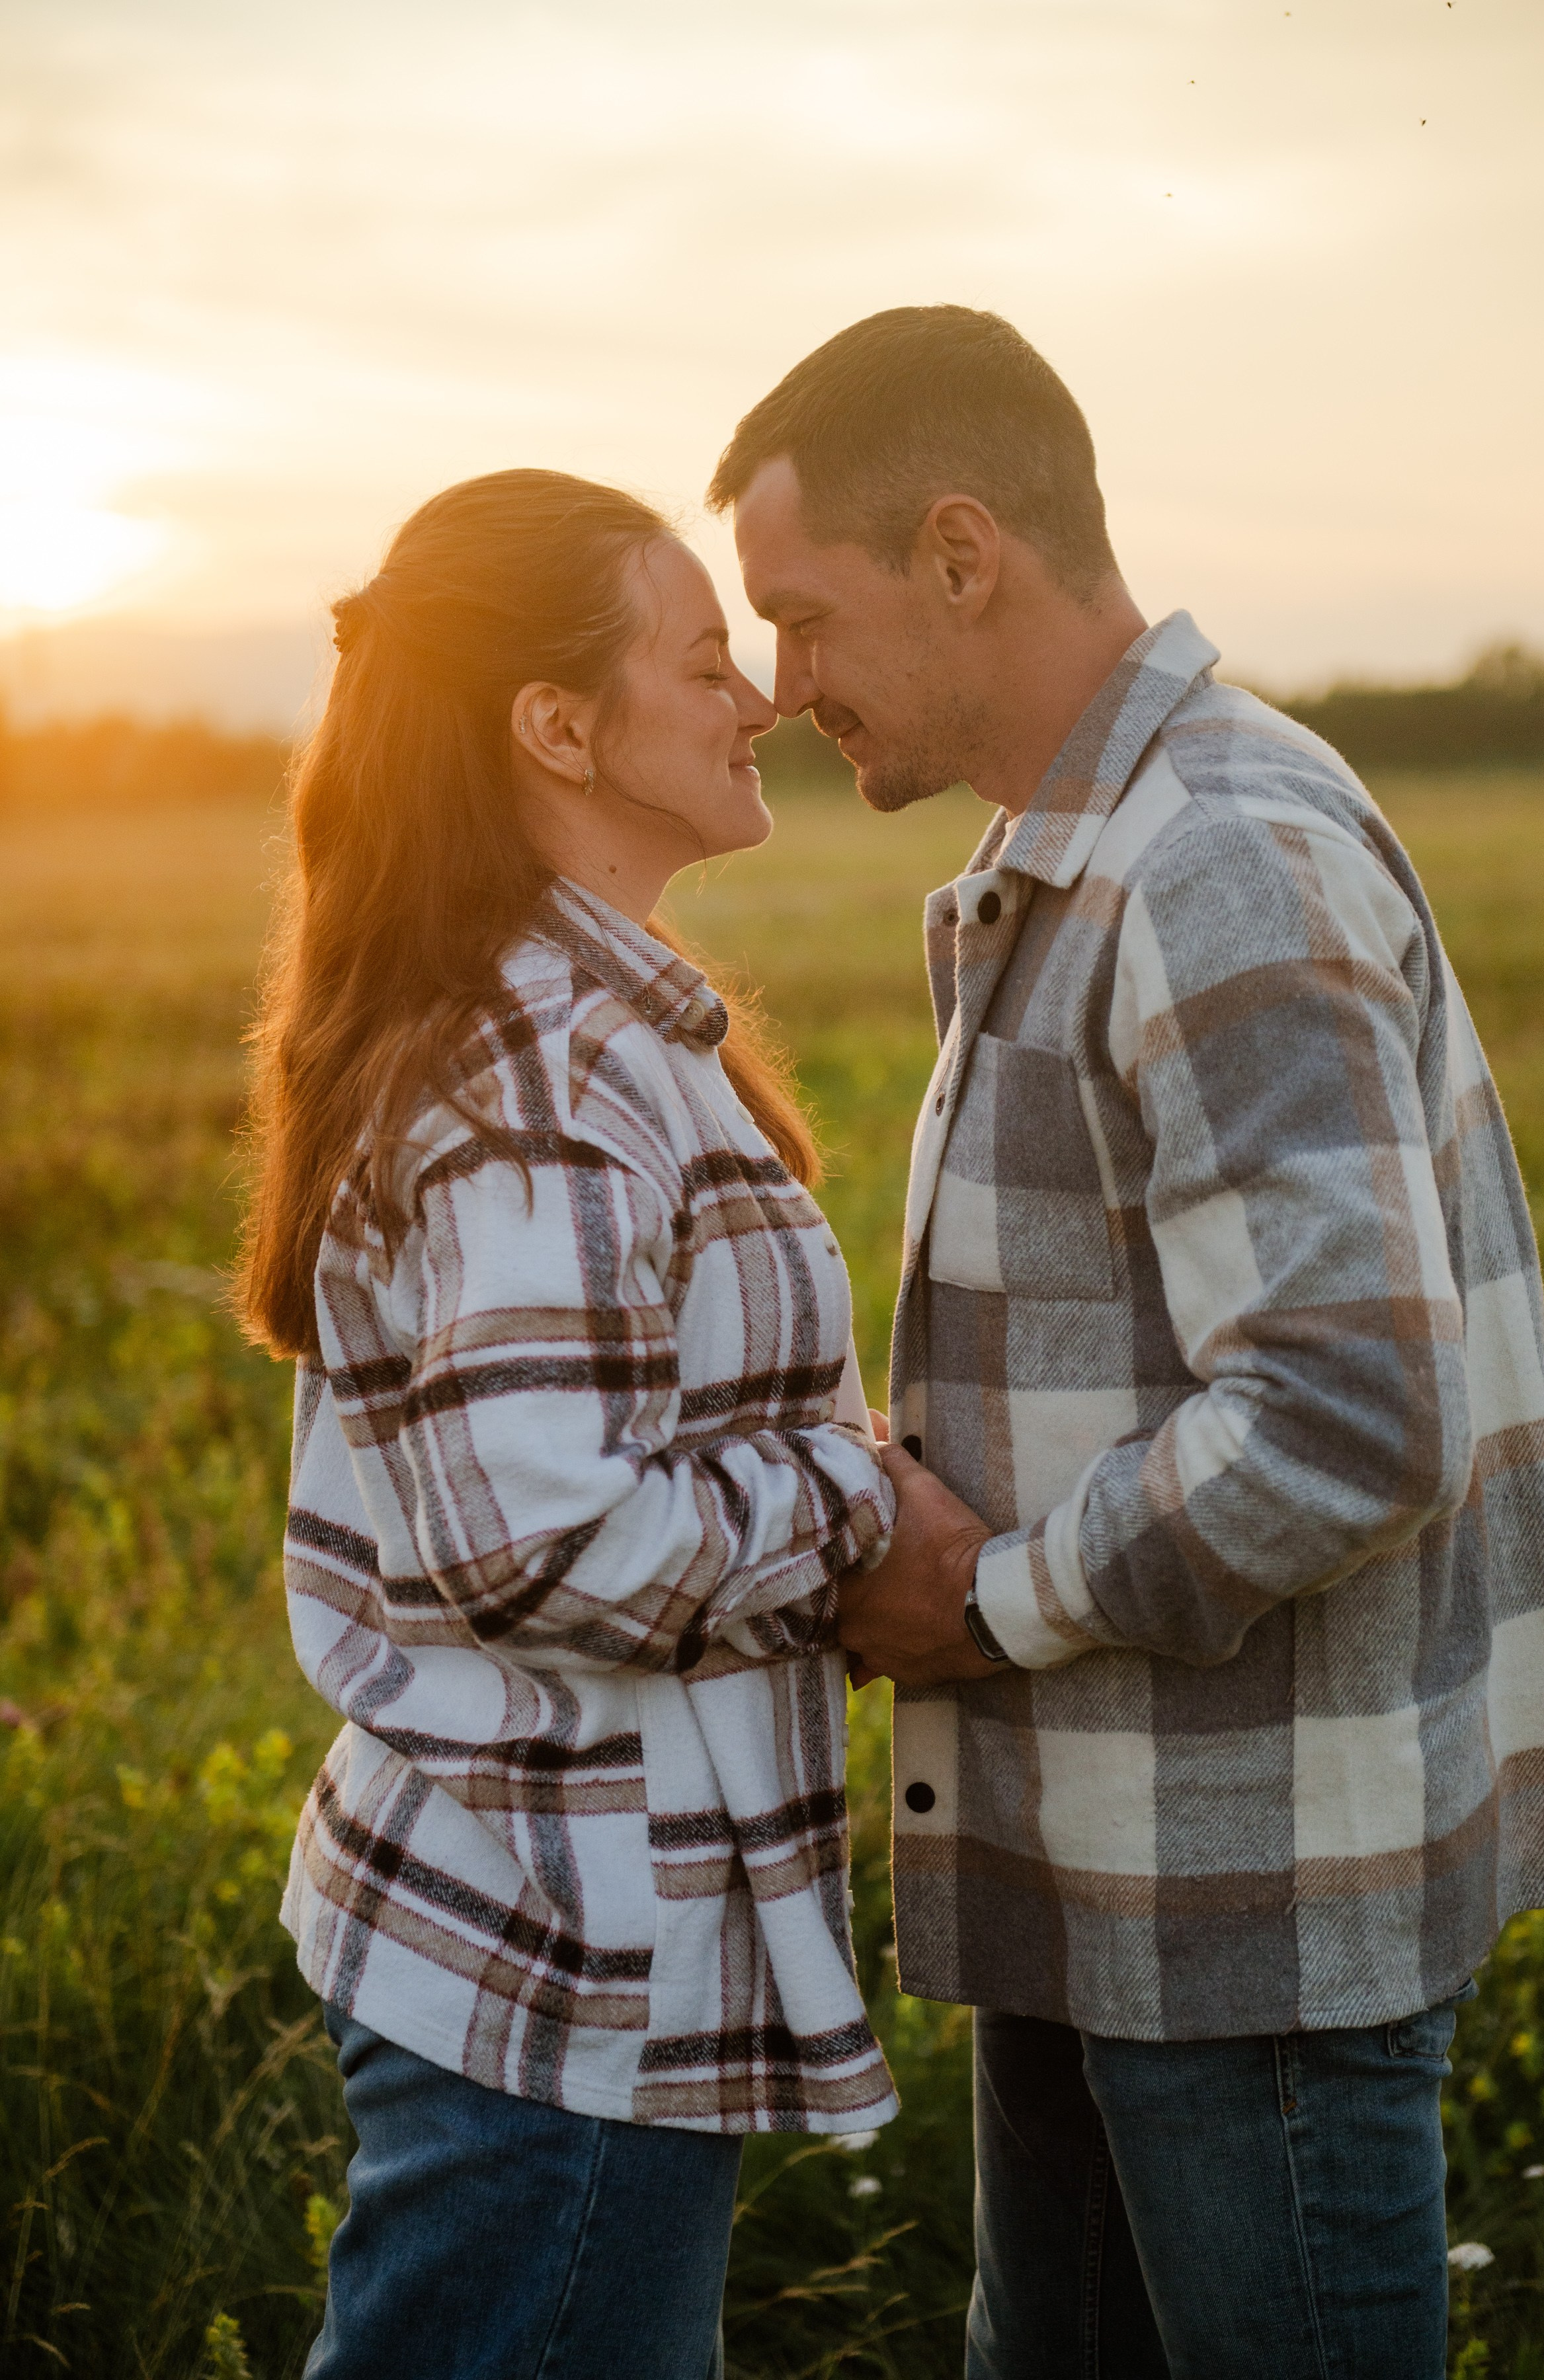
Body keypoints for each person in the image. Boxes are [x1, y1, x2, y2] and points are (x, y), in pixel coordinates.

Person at [711, 305, 1544, 2379]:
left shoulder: (1214, 858)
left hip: (1242, 1919)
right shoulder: (1083, 841)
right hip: (1112, 1872)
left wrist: (983, 1598)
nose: (778, 687)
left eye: (799, 615)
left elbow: (1345, 1416)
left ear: (958, 552)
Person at [238, 468, 899, 2380]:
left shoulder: (575, 1031)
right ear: (556, 724)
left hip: (556, 1939)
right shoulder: (530, 1076)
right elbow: (544, 1539)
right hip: (565, 1973)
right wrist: (861, 1505)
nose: (753, 695)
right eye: (701, 661)